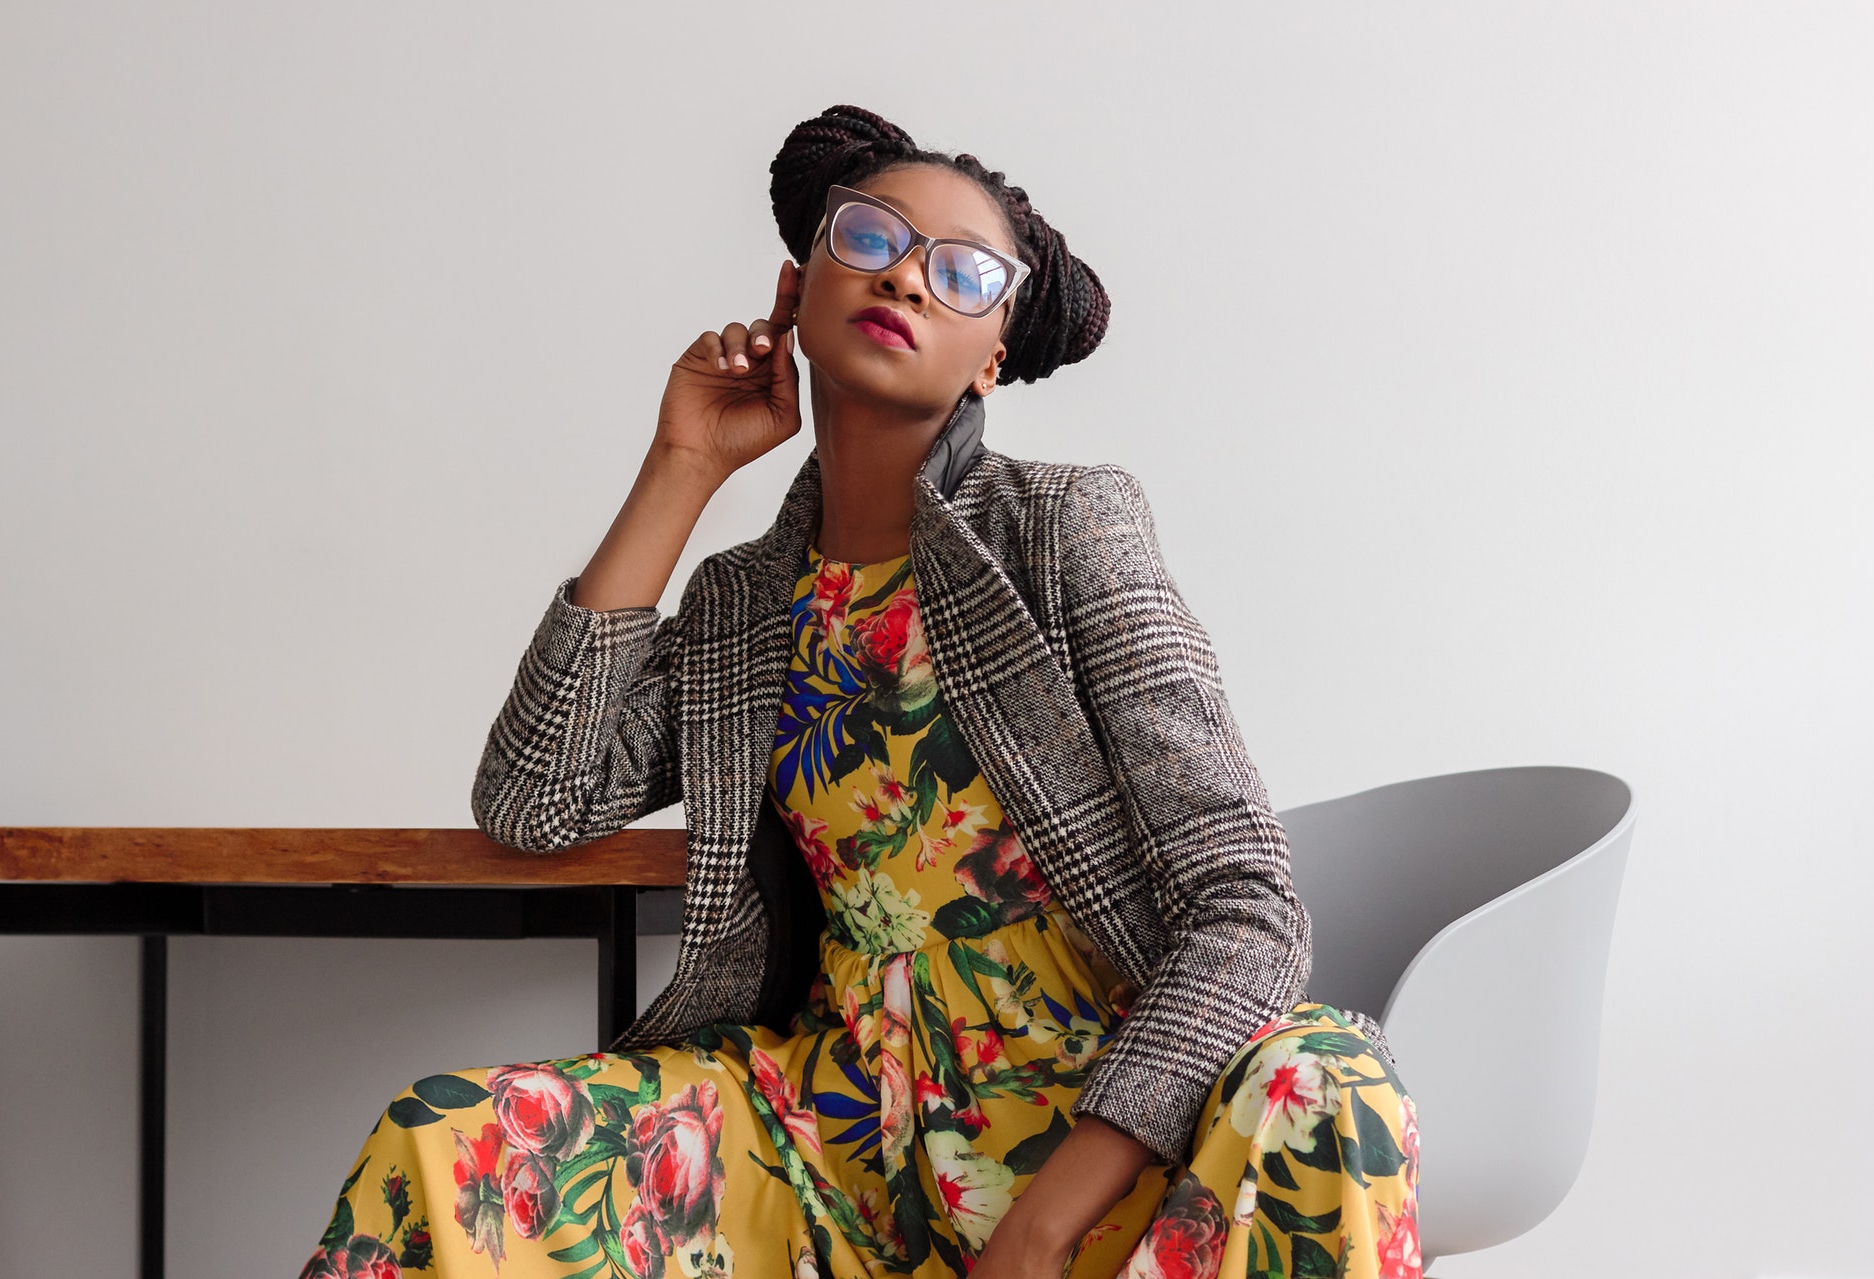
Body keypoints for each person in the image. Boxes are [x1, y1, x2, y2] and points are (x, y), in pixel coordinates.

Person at [301, 103, 1422, 1279]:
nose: (911, 282)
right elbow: (536, 796)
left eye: (962, 271)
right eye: (873, 239)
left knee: (1331, 1074)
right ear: (800, 287)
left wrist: (1042, 1228)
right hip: (831, 1142)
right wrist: (682, 469)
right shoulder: (749, 602)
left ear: (994, 351)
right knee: (449, 1142)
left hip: (1106, 1145)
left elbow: (1248, 907)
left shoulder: (1062, 529)